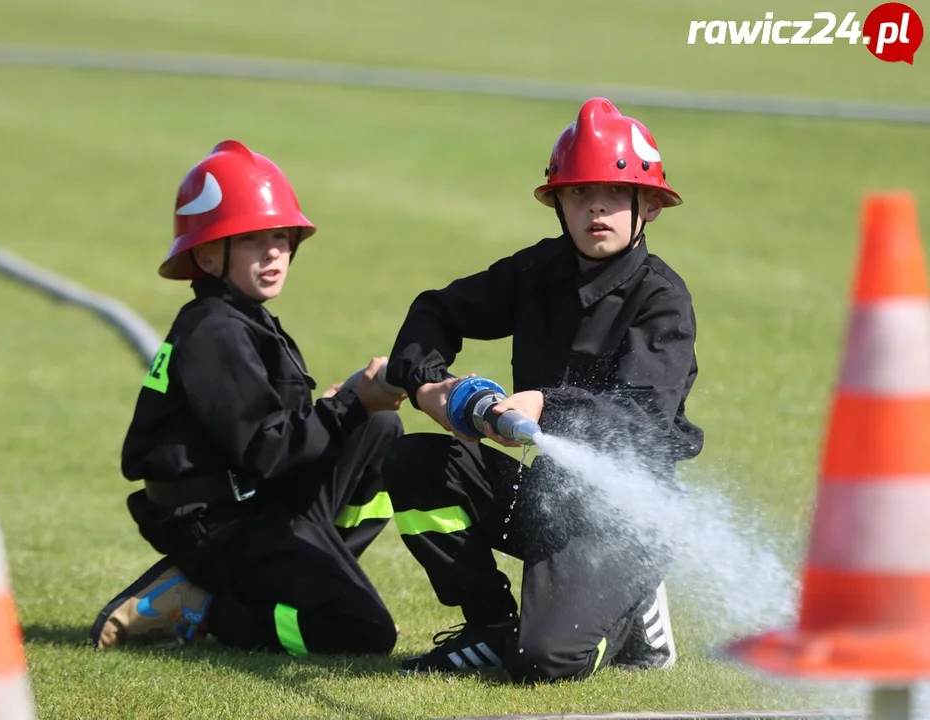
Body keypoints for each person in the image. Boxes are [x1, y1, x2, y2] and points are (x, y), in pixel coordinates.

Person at [381, 98, 705, 683]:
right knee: (412, 460)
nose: (595, 207)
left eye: (612, 191)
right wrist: (433, 381)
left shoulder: (662, 301)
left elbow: (643, 422)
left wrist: (545, 405)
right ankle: (487, 627)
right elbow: (437, 309)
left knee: (544, 662)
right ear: (557, 202)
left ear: (650, 205)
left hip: (621, 519)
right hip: (546, 497)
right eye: (579, 193)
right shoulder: (539, 272)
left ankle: (633, 611)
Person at [88, 140, 407, 658]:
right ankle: (206, 608)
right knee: (363, 632)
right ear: (208, 254)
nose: (275, 252)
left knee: (380, 433)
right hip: (217, 522)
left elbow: (272, 434)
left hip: (254, 500)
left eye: (281, 236)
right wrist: (347, 406)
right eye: (254, 238)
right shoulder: (215, 331)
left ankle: (307, 572)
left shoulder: (242, 318)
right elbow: (266, 451)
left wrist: (346, 409)